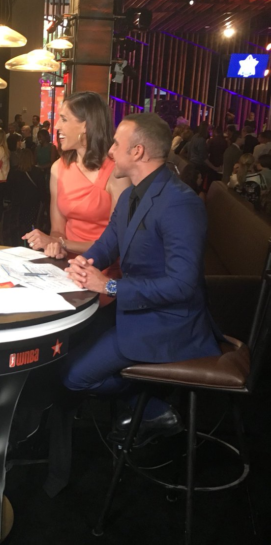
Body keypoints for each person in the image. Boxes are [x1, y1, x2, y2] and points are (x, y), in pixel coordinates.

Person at [51, 113, 221, 493]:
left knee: (72, 375)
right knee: (69, 352)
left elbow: (182, 285)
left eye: (115, 145)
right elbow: (109, 242)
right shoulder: (131, 194)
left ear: (138, 151)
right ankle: (148, 408)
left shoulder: (180, 203)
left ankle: (156, 410)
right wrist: (86, 261)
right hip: (136, 311)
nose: (109, 151)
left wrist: (109, 289)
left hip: (169, 323)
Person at [22, 91, 129, 267]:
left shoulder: (116, 172)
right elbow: (57, 230)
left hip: (102, 268)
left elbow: (115, 243)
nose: (56, 126)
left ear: (86, 125)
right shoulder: (59, 167)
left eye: (64, 119)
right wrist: (55, 244)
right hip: (67, 266)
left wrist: (60, 243)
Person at [3, 149, 45, 245]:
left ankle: (18, 243)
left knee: (18, 226)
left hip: (17, 205)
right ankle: (30, 244)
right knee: (29, 226)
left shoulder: (13, 171)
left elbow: (8, 189)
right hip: (33, 205)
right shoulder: (37, 172)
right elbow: (42, 191)